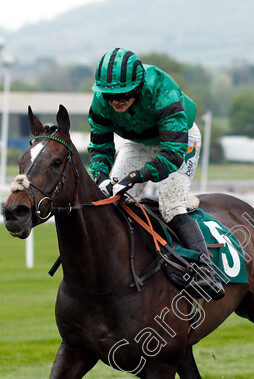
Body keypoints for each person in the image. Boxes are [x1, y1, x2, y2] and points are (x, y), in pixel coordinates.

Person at [87, 48, 224, 300]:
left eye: (124, 94)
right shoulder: (100, 103)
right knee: (111, 201)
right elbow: (100, 147)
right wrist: (102, 177)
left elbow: (172, 153)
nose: (116, 101)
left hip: (179, 139)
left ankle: (206, 269)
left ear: (138, 88)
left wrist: (134, 178)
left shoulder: (162, 88)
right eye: (110, 95)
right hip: (137, 143)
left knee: (170, 204)